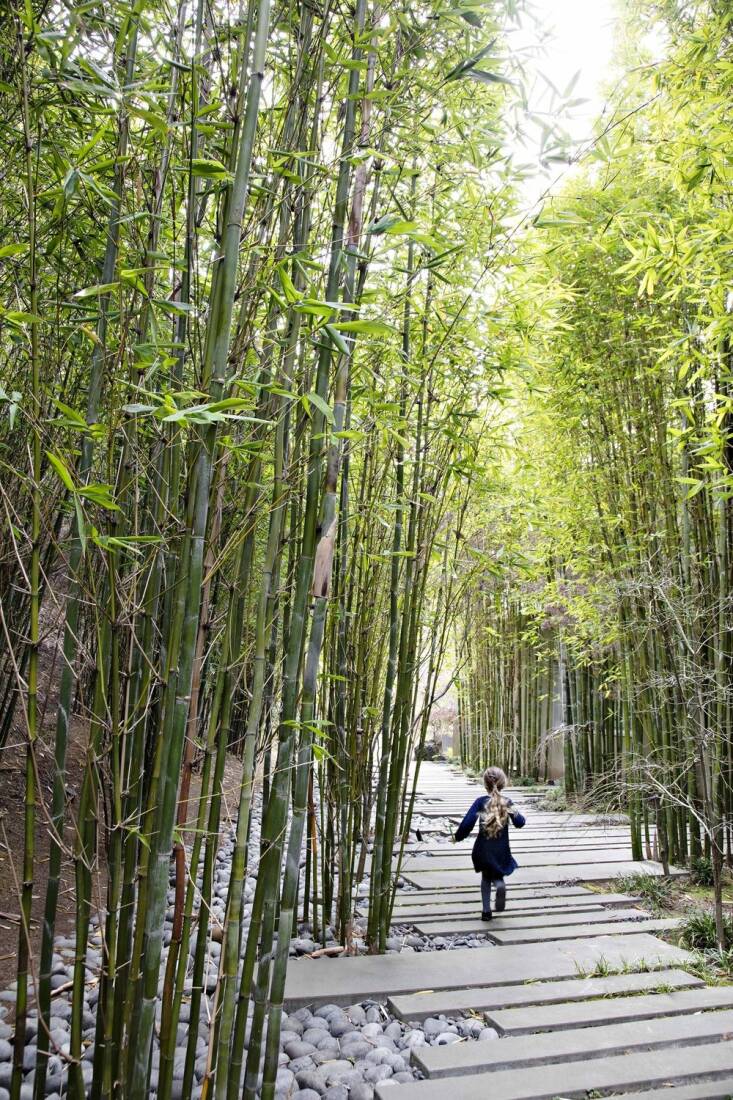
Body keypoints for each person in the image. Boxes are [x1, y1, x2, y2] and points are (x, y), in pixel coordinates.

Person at [452, 765, 526, 920]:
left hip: (483, 849)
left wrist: (457, 837)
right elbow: (520, 822)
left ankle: (486, 911)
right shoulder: (507, 802)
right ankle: (499, 884)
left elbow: (467, 823)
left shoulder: (480, 802)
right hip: (501, 851)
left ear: (485, 784)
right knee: (497, 872)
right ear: (503, 783)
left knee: (486, 877)